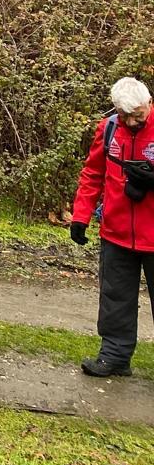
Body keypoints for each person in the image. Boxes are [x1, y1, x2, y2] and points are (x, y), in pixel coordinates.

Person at [70, 77, 154, 378]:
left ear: (149, 104)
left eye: (139, 115)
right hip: (116, 233)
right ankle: (115, 355)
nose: (132, 121)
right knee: (115, 298)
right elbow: (92, 174)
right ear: (116, 110)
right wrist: (81, 215)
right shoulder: (107, 130)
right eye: (125, 115)